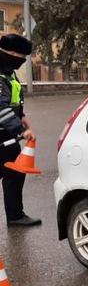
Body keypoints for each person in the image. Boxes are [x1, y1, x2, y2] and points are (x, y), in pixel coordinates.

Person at [0, 34, 40, 227]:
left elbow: (13, 99)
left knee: (14, 172)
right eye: (20, 56)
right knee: (13, 172)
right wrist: (20, 130)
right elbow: (0, 107)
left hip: (5, 135)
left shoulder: (8, 72)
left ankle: (15, 215)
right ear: (10, 53)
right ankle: (15, 215)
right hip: (3, 134)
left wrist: (22, 116)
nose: (22, 61)